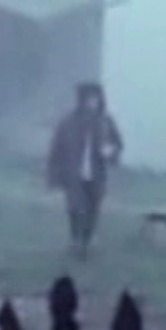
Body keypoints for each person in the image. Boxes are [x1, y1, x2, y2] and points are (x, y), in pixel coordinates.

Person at [46, 82, 124, 258]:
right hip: (73, 174)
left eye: (95, 98)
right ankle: (75, 240)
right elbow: (56, 148)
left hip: (96, 175)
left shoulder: (106, 122)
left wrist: (110, 152)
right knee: (74, 208)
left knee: (92, 209)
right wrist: (53, 173)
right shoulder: (68, 122)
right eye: (89, 98)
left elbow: (118, 144)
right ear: (81, 100)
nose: (92, 102)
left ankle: (86, 242)